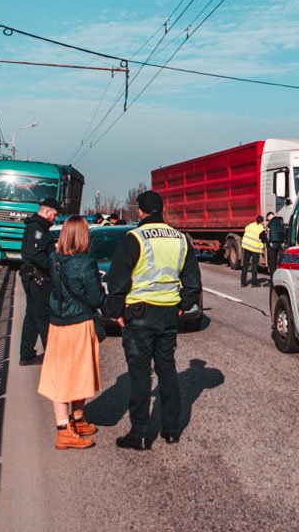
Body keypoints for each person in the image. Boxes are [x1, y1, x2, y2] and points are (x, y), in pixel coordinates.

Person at [105, 190, 202, 449]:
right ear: (162, 210)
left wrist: (114, 312)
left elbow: (118, 279)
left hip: (139, 314)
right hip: (169, 314)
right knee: (167, 369)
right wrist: (184, 304)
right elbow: (193, 281)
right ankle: (171, 429)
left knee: (139, 374)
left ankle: (141, 433)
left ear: (141, 212)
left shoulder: (135, 238)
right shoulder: (180, 239)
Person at [38, 215, 103, 450]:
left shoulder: (54, 259)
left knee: (60, 373)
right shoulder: (86, 262)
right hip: (79, 323)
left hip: (57, 323)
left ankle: (74, 420)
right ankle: (65, 428)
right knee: (77, 374)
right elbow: (96, 298)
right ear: (84, 235)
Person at [18, 197, 61, 365]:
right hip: (38, 279)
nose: (55, 218)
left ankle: (27, 354)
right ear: (47, 211)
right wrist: (53, 266)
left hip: (34, 278)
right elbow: (34, 255)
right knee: (43, 316)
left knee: (32, 316)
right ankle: (51, 356)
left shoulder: (38, 227)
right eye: (55, 214)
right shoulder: (37, 229)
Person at [240, 215, 265, 287]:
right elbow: (264, 239)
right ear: (262, 222)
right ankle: (253, 283)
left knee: (245, 265)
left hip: (247, 247)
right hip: (255, 249)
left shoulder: (251, 225)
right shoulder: (261, 228)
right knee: (254, 266)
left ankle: (243, 282)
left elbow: (246, 230)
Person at [261, 211, 285, 278]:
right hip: (279, 244)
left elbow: (267, 236)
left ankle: (273, 279)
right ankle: (277, 277)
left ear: (268, 217)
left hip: (271, 245)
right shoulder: (279, 222)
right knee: (276, 262)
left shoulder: (270, 224)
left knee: (271, 264)